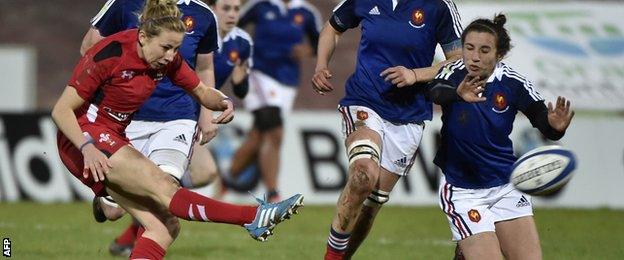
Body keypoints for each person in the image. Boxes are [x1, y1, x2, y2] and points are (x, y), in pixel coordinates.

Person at [53, 1, 303, 259]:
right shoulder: (112, 52)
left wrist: (222, 102)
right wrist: (87, 147)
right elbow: (61, 110)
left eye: (175, 49)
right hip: (83, 136)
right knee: (164, 188)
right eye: (166, 48)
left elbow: (202, 92)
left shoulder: (167, 59)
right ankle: (253, 216)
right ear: (142, 36)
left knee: (164, 226)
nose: (171, 56)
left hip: (113, 136)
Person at [81, 0, 250, 256]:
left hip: (177, 116)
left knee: (167, 195)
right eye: (227, 7)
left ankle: (137, 245)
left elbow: (204, 68)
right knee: (117, 209)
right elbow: (89, 48)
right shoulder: (125, 4)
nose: (170, 54)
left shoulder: (204, 16)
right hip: (128, 117)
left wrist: (207, 113)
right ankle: (111, 202)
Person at [311, 0, 463, 259]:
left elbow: (459, 60)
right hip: (364, 101)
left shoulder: (439, 6)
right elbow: (332, 28)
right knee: (362, 176)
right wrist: (321, 64)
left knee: (371, 204)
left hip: (409, 116)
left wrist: (416, 74)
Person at [427, 14, 574, 260]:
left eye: (484, 50)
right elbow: (434, 92)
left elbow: (541, 119)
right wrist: (457, 94)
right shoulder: (453, 73)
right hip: (463, 191)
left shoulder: (513, 83)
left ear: (499, 54)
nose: (474, 57)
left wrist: (555, 126)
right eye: (469, 48)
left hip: (506, 186)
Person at [223, 0, 321, 203]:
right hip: (259, 74)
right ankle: (273, 193)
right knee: (275, 132)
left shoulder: (307, 12)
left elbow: (320, 43)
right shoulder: (261, 5)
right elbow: (233, 26)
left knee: (258, 136)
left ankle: (227, 179)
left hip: (287, 83)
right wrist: (236, 54)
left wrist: (308, 51)